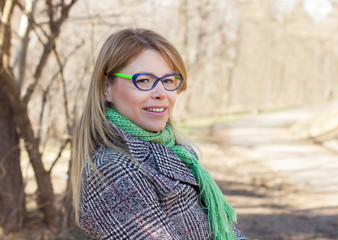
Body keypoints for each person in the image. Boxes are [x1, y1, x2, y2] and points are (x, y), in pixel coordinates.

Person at [71, 27, 248, 240]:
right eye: (143, 80)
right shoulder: (114, 171)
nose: (161, 93)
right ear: (106, 87)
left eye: (168, 81)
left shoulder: (175, 151)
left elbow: (223, 231)